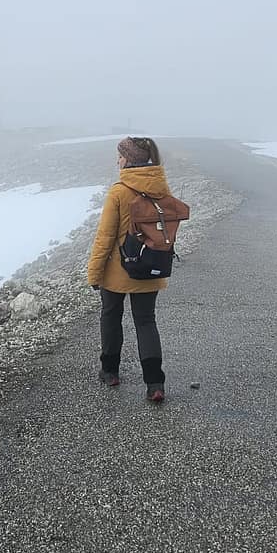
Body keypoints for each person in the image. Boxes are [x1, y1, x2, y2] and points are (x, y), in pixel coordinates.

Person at [86, 136, 170, 403]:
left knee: (111, 316)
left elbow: (105, 237)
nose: (118, 161)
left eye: (120, 156)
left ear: (130, 160)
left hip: (117, 269)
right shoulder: (160, 187)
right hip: (150, 264)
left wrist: (94, 272)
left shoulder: (119, 191)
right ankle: (155, 384)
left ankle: (110, 371)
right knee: (146, 321)